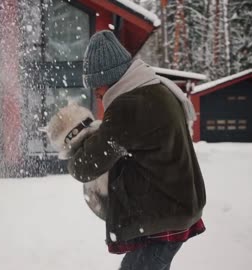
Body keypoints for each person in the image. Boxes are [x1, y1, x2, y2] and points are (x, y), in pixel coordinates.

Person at [67, 30, 206, 270]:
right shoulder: (157, 88)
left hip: (164, 215)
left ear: (108, 78)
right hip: (174, 208)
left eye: (96, 86)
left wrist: (75, 142)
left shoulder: (128, 105)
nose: (97, 94)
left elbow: (87, 166)